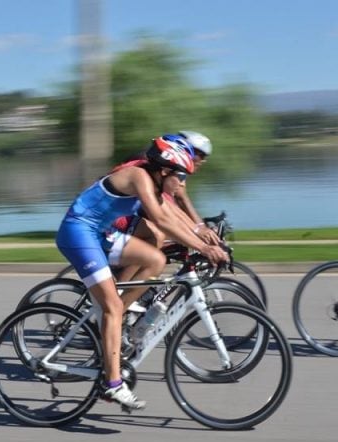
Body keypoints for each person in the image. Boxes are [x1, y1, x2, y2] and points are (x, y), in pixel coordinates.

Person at [56, 137, 229, 411]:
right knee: (112, 306)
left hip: (101, 233)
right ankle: (112, 385)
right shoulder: (139, 176)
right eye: (181, 177)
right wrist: (205, 249)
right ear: (164, 171)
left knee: (155, 259)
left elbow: (172, 218)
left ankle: (114, 321)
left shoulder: (155, 184)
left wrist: (205, 242)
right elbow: (161, 221)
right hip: (79, 232)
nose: (183, 184)